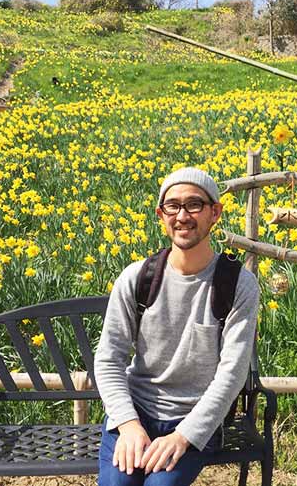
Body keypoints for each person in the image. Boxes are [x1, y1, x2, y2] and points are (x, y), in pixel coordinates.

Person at [94, 167, 260, 486]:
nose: (182, 216)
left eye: (194, 204)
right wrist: (128, 424)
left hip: (195, 420)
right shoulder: (137, 277)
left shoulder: (237, 284)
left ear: (215, 213)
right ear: (161, 214)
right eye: (173, 206)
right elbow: (108, 359)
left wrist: (183, 436)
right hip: (135, 411)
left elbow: (232, 373)